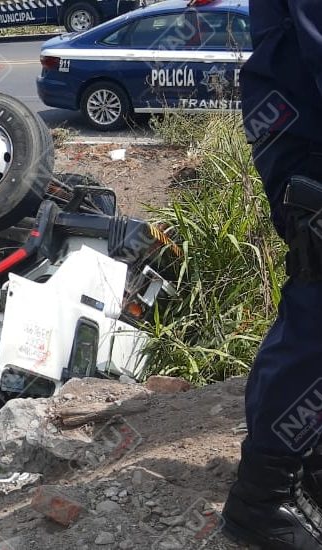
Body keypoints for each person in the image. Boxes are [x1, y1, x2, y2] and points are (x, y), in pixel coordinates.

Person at [223, 1, 322, 548]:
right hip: (307, 142)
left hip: (300, 131)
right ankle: (261, 503)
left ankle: (305, 463)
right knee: (315, 312)